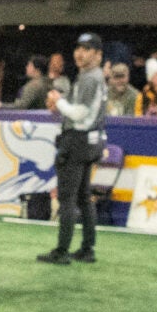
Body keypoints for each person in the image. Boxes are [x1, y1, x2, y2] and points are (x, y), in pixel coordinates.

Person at [40, 31, 109, 263]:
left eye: (87, 49)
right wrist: (60, 103)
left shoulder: (90, 78)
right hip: (92, 140)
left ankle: (62, 251)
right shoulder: (92, 76)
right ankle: (87, 248)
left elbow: (79, 114)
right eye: (78, 48)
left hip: (78, 140)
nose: (80, 53)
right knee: (83, 196)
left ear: (98, 55)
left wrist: (58, 102)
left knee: (68, 198)